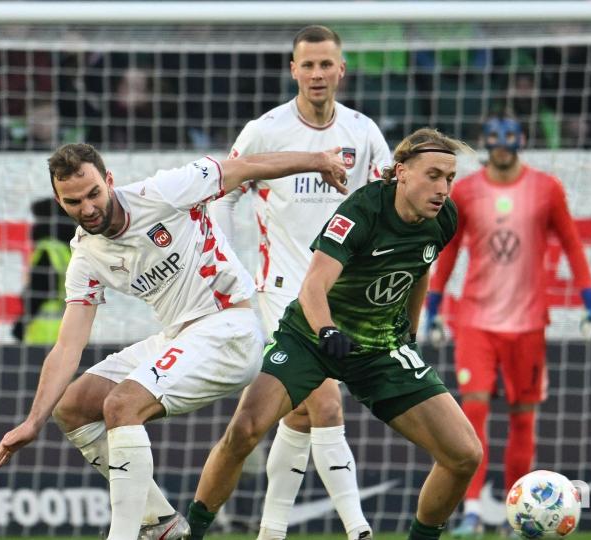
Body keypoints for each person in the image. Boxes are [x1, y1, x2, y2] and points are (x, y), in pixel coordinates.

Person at [0, 142, 350, 540]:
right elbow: (67, 347)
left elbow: (246, 167)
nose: (88, 208)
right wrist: (33, 421)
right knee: (72, 408)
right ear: (60, 201)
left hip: (230, 324)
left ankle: (123, 535)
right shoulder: (86, 257)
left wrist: (318, 161)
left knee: (122, 405)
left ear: (109, 181)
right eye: (73, 201)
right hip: (180, 334)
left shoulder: (164, 192)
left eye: (94, 193)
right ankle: (161, 523)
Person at [186, 128, 483, 540]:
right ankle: (192, 531)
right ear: (402, 173)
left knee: (465, 455)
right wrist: (326, 331)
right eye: (433, 175)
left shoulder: (444, 218)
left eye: (449, 178)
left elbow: (420, 269)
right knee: (244, 430)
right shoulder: (360, 212)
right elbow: (312, 286)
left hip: (381, 348)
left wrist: (409, 334)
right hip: (311, 338)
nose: (443, 188)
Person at [210, 25, 391, 540]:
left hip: (341, 297)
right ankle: (359, 529)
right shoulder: (265, 131)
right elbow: (222, 189)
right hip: (282, 291)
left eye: (325, 64)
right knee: (327, 400)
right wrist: (228, 265)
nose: (316, 73)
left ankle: (271, 530)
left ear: (341, 70)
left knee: (300, 415)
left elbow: (382, 206)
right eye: (306, 64)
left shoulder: (363, 132)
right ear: (293, 70)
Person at [424, 117, 591, 537]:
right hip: (475, 320)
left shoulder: (546, 188)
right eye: (494, 140)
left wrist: (589, 301)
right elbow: (447, 253)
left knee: (523, 418)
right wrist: (433, 306)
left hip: (528, 322)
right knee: (475, 412)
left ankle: (511, 517)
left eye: (509, 139)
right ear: (486, 143)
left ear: (521, 141)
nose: (501, 147)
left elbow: (572, 243)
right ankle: (469, 510)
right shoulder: (464, 192)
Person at [11, 198, 77, 344]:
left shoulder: (48, 249)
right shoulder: (69, 251)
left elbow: (38, 290)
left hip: (45, 332)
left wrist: (20, 326)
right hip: (70, 328)